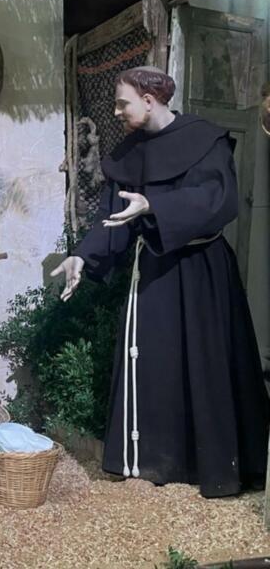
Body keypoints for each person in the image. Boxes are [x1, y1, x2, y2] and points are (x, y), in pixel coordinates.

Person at [51, 66, 269, 497]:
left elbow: (217, 200)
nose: (115, 112)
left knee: (207, 363)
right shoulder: (131, 152)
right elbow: (112, 219)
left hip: (203, 269)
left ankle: (215, 465)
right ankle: (155, 461)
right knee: (154, 363)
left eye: (122, 102)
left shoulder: (205, 139)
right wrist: (82, 254)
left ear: (149, 100)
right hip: (152, 271)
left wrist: (155, 204)